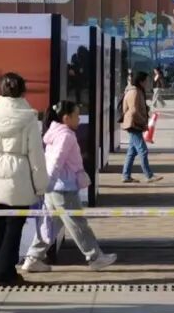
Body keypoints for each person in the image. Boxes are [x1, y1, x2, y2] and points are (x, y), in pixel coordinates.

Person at [22, 101, 117, 274]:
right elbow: (57, 161)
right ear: (66, 118)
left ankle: (33, 258)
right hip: (63, 189)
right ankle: (95, 257)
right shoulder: (66, 136)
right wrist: (49, 184)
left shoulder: (54, 133)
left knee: (50, 225)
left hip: (55, 189)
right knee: (78, 224)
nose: (79, 119)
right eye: (76, 115)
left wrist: (47, 185)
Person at [0, 72, 49, 286]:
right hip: (18, 174)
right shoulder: (28, 117)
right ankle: (6, 272)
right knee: (14, 224)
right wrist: (41, 185)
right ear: (23, 92)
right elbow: (36, 154)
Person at [120, 71, 161, 183]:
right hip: (133, 124)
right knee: (143, 150)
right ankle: (149, 175)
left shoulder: (138, 91)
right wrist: (143, 121)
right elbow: (134, 110)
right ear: (141, 81)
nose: (147, 83)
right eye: (146, 81)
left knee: (132, 151)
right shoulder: (134, 92)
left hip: (135, 123)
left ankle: (126, 176)